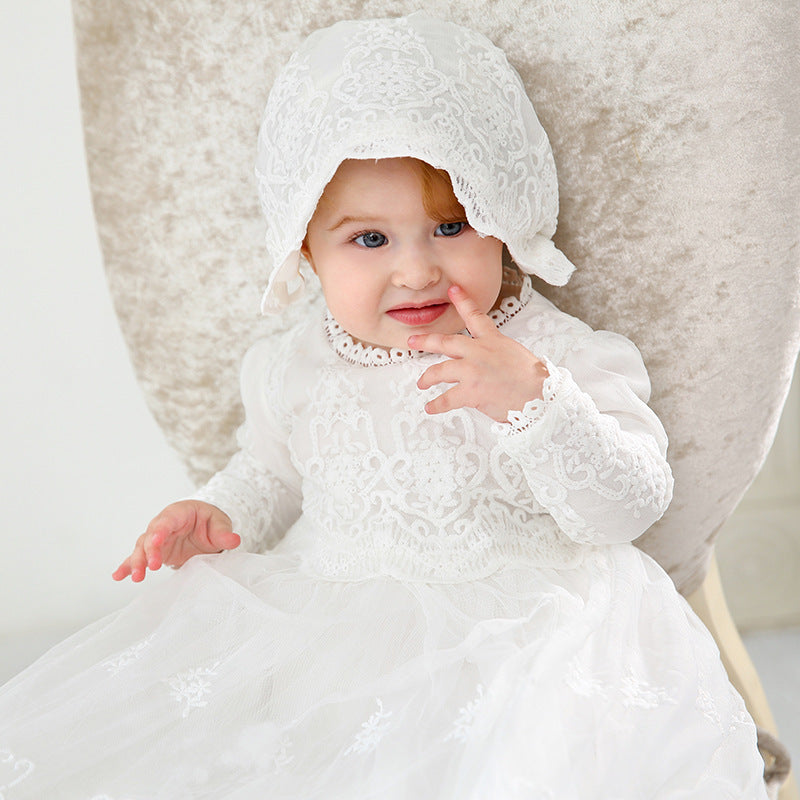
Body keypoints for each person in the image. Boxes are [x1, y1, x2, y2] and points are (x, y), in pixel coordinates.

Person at [0, 13, 769, 799]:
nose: (415, 271)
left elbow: (630, 508)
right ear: (306, 249)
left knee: (509, 762)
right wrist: (217, 510)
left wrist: (539, 405)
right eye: (369, 239)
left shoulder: (556, 354)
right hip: (335, 623)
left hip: (529, 631)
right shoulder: (294, 362)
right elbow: (272, 472)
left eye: (451, 225)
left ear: (505, 218)